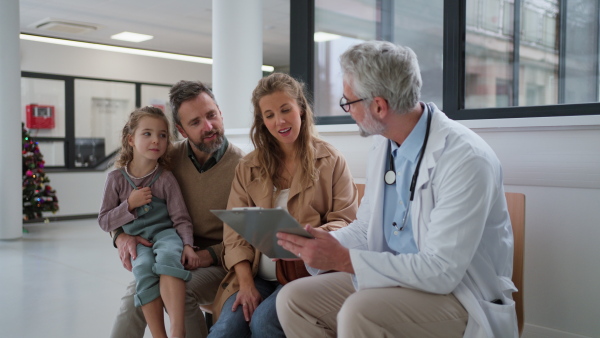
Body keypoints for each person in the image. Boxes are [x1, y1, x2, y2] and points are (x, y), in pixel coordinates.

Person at [276, 41, 517, 338]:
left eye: (349, 102)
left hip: (457, 295)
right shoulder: (384, 142)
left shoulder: (465, 158)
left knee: (360, 311)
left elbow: (441, 271)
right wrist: (313, 246)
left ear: (378, 106)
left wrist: (341, 259)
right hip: (391, 280)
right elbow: (366, 230)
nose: (347, 110)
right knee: (294, 300)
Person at [208, 73, 359, 338]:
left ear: (300, 107)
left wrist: (306, 236)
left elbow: (346, 221)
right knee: (225, 330)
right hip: (254, 275)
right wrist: (245, 284)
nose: (279, 121)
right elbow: (234, 235)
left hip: (305, 276)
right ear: (262, 121)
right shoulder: (248, 166)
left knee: (263, 322)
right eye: (269, 115)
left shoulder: (331, 159)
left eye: (285, 110)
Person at [109, 81, 245, 338]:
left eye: (211, 115)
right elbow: (121, 198)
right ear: (181, 130)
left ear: (220, 112)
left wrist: (207, 256)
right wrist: (120, 236)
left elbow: (249, 237)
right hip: (168, 251)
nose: (208, 126)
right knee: (134, 299)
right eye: (195, 122)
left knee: (180, 291)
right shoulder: (166, 158)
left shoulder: (244, 167)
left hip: (222, 262)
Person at [99, 106, 197, 338]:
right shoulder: (115, 179)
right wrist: (129, 205)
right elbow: (104, 221)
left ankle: (177, 331)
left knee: (169, 258)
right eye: (147, 133)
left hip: (166, 236)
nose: (156, 140)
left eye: (163, 135)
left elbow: (180, 218)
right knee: (142, 269)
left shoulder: (165, 178)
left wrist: (187, 245)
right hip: (140, 243)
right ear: (130, 139)